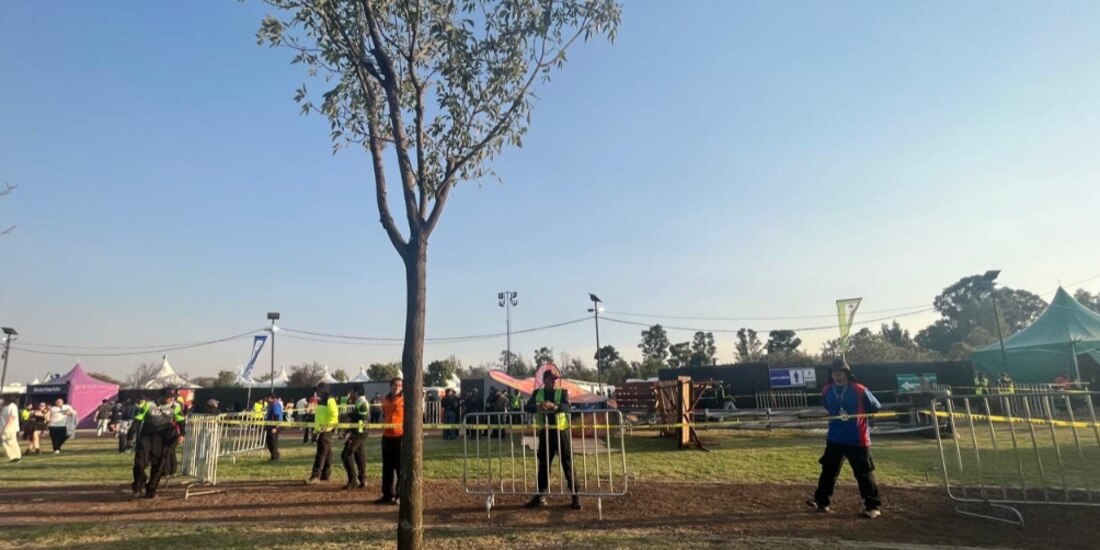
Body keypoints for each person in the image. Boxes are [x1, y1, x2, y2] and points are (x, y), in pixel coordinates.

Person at [806, 359, 883, 518]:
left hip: (857, 439)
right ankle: (822, 502)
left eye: (840, 372)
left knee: (863, 473)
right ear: (831, 374)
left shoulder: (859, 389)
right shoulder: (827, 390)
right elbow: (828, 406)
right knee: (828, 471)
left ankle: (872, 506)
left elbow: (875, 406)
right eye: (834, 372)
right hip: (834, 438)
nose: (837, 375)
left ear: (847, 373)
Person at [524, 367, 581, 510]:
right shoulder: (538, 393)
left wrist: (554, 407)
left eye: (556, 379)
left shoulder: (563, 392)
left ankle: (575, 496)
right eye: (551, 379)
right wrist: (538, 406)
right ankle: (540, 495)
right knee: (543, 464)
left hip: (562, 433)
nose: (554, 382)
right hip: (545, 433)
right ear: (544, 380)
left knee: (567, 464)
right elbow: (527, 407)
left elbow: (567, 407)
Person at [131, 388, 185, 499]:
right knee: (140, 464)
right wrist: (130, 436)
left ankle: (151, 491)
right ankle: (138, 487)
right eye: (169, 397)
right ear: (161, 396)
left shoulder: (176, 406)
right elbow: (137, 421)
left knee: (159, 466)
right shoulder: (148, 405)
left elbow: (181, 421)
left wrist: (182, 434)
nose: (171, 399)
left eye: (173, 397)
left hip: (164, 439)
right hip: (146, 438)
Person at [374, 377, 404, 505]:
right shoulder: (385, 400)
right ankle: (387, 494)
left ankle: (399, 495)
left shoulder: (405, 399)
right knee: (387, 468)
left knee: (400, 467)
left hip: (400, 436)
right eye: (394, 384)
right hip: (387, 437)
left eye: (399, 385)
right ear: (390, 386)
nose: (396, 386)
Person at [306, 383, 338, 484]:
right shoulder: (320, 401)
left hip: (327, 430)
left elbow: (334, 414)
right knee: (327, 452)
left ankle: (316, 476)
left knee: (321, 452)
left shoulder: (330, 399)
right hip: (322, 430)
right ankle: (325, 475)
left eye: (318, 390)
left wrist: (327, 426)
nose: (316, 392)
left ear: (324, 391)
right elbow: (319, 419)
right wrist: (315, 432)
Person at [341, 386, 370, 490]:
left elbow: (363, 417)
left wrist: (349, 414)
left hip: (359, 432)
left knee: (346, 454)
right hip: (359, 431)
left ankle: (353, 480)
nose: (350, 394)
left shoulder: (361, 402)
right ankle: (362, 479)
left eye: (351, 392)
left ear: (356, 392)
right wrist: (348, 430)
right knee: (359, 456)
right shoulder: (359, 401)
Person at [1, 397, 22, 462]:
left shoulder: (12, 406)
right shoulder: (4, 407)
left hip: (10, 427)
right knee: (5, 443)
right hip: (3, 427)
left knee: (12, 442)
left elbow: (12, 417)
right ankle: (12, 457)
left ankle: (17, 457)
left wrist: (6, 427)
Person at [265, 394, 283, 461]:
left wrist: (275, 427)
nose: (265, 400)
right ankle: (274, 456)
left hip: (274, 426)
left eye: (266, 398)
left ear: (270, 398)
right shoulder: (271, 404)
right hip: (270, 425)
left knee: (273, 442)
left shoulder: (275, 404)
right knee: (269, 441)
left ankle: (275, 457)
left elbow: (276, 416)